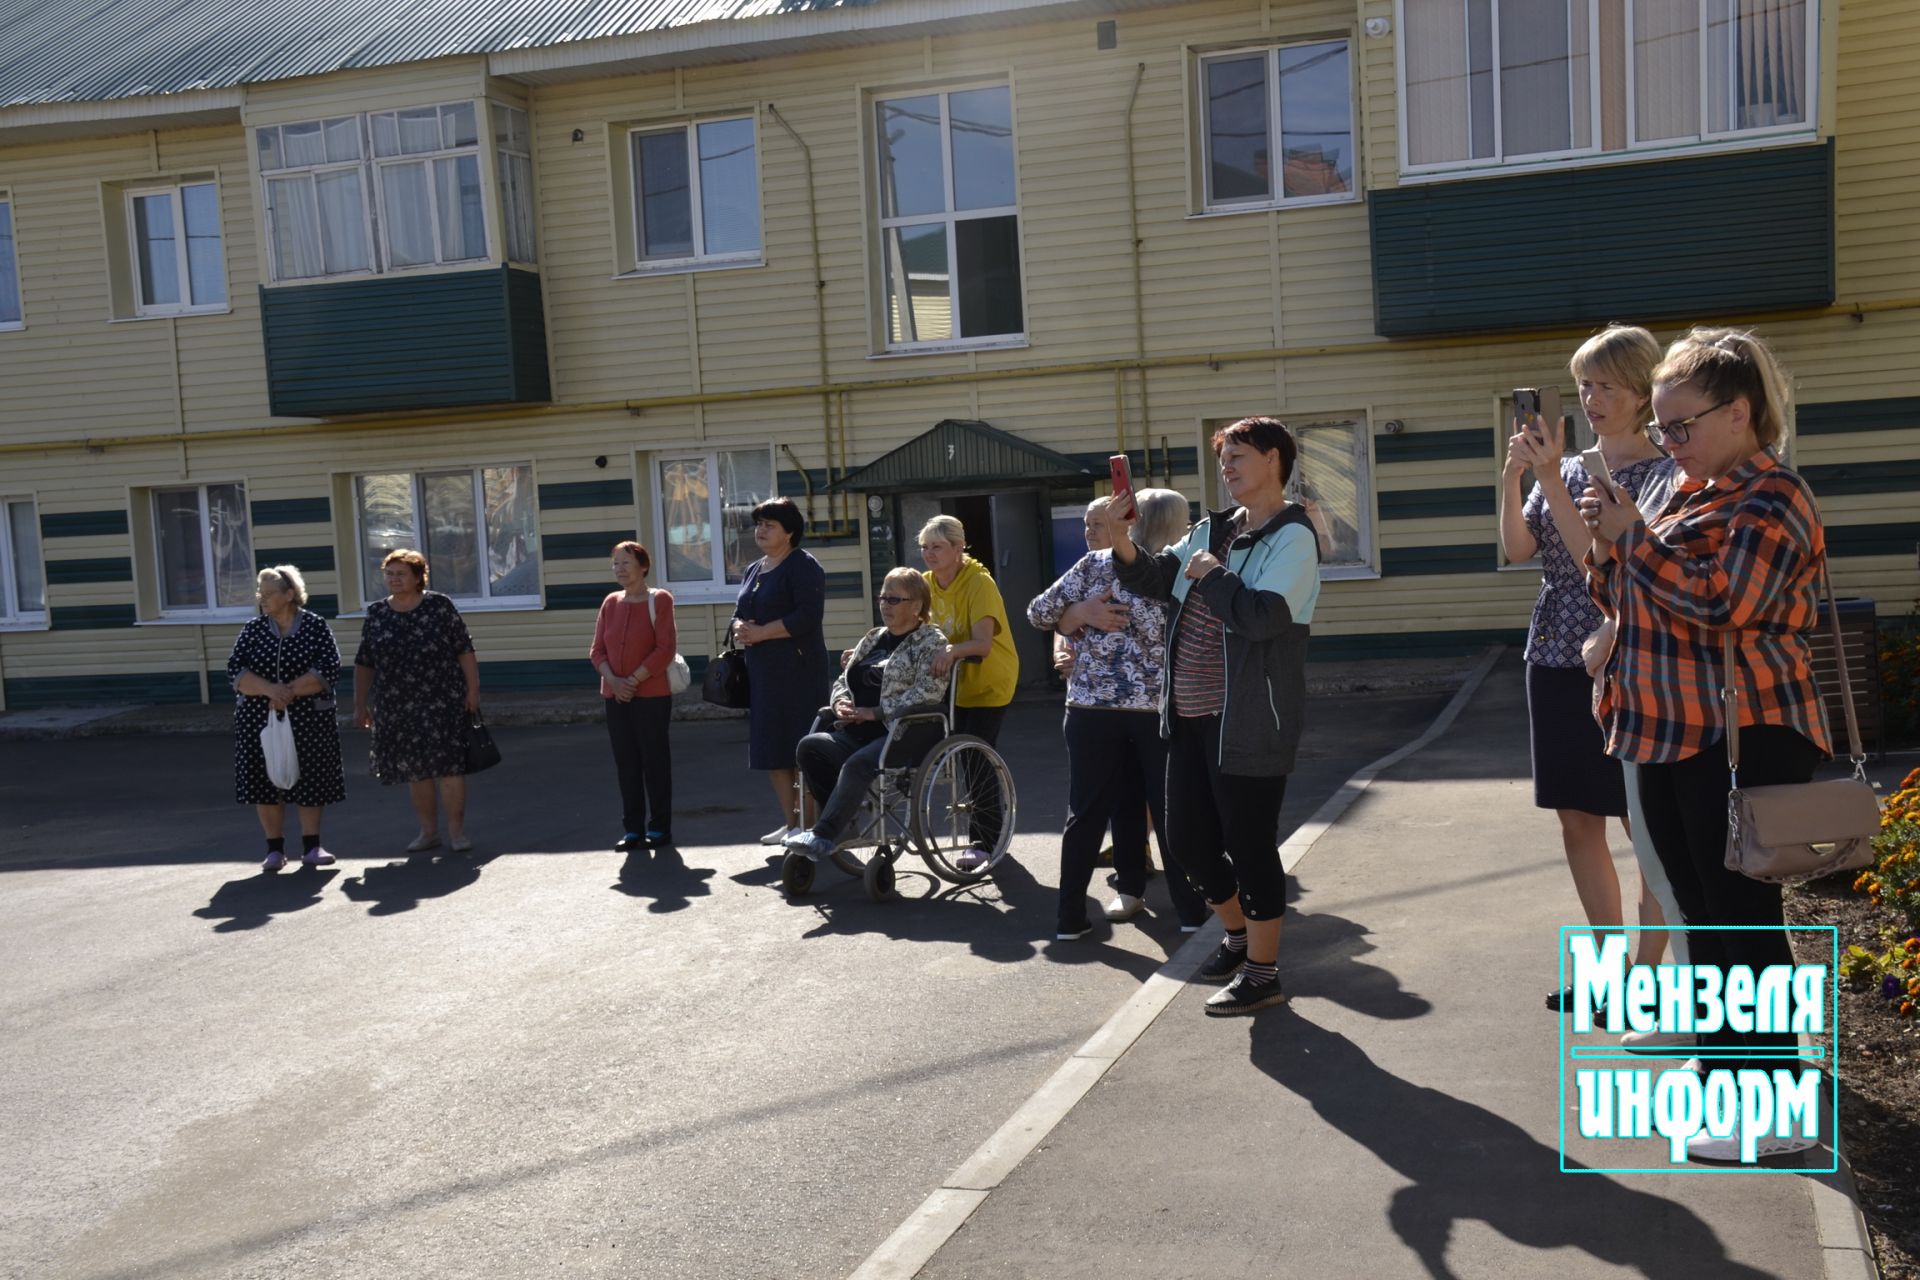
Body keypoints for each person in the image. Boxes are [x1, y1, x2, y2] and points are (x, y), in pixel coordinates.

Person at [1580, 327, 1829, 1162]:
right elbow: (1624, 594)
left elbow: (1726, 604)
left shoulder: (1774, 496)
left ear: (1741, 413)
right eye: (1662, 429)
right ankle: (1730, 1084)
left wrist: (1634, 537)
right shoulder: (1685, 490)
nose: (1669, 443)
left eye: (1681, 426)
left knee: (1744, 921)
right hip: (1662, 730)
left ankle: (1776, 1111)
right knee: (1700, 912)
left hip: (1743, 734)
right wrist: (1611, 536)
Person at [1112, 417, 1319, 1016]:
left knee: (1250, 845)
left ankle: (1262, 971)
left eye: (1240, 457)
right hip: (1190, 714)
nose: (1227, 468)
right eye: (1224, 458)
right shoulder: (1213, 527)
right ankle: (1235, 935)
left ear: (1275, 460)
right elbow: (1153, 579)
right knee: (1188, 844)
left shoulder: (1293, 535)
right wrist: (1125, 540)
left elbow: (1262, 619)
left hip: (1251, 718)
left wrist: (1212, 573)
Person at [1501, 324, 1677, 1014]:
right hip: (1553, 655)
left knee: (1644, 824)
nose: (1591, 396)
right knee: (1577, 819)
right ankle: (1606, 971)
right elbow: (1521, 550)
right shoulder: (1567, 468)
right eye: (1583, 384)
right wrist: (1515, 478)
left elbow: (1598, 565)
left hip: (1629, 661)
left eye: (1606, 384)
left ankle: (1647, 970)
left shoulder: (1666, 473)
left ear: (1642, 392)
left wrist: (1545, 474)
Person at [1031, 488, 1207, 938]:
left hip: (1090, 709)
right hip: (1156, 710)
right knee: (1169, 808)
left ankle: (1071, 918)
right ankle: (1189, 912)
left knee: (1087, 812)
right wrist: (1076, 614)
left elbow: (1038, 612)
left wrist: (1073, 613)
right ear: (1170, 526)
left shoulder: (1094, 565)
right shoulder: (1181, 571)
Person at [784, 568, 950, 862]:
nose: (885, 604)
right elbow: (843, 679)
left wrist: (876, 712)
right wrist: (841, 703)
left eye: (894, 599)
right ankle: (843, 826)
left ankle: (823, 834)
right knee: (810, 747)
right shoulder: (873, 638)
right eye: (882, 597)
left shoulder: (930, 642)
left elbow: (928, 692)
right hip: (858, 730)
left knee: (858, 764)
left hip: (903, 732)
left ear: (916, 606)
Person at [353, 549, 481, 854]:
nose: (394, 580)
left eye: (401, 574)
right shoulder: (377, 613)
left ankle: (457, 832)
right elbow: (364, 662)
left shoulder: (439, 606)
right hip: (396, 703)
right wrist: (360, 703)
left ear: (417, 576)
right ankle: (428, 833)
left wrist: (472, 689)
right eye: (389, 574)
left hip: (443, 698)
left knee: (449, 767)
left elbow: (464, 648)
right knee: (416, 770)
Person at [918, 515, 1020, 871]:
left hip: (990, 679)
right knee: (958, 756)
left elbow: (981, 644)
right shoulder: (926, 583)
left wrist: (951, 651)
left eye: (937, 547)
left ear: (959, 548)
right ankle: (992, 825)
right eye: (925, 547)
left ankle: (984, 840)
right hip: (953, 684)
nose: (929, 554)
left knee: (976, 755)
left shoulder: (979, 582)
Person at [228, 565, 345, 871]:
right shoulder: (253, 630)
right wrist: (270, 690)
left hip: (309, 717)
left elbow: (328, 667)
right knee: (263, 781)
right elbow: (236, 671)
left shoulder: (316, 627)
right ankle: (274, 850)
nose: (262, 598)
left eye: (268, 593)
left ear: (290, 594)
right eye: (260, 592)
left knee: (310, 778)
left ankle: (312, 846)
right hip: (258, 717)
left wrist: (289, 691)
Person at [732, 497, 829, 847]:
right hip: (763, 675)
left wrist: (762, 632)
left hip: (798, 674)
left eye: (769, 525)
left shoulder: (803, 566)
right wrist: (740, 627)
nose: (760, 530)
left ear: (789, 532)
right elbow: (740, 610)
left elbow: (807, 617)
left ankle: (810, 824)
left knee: (800, 750)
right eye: (759, 524)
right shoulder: (754, 569)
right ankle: (791, 824)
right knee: (772, 749)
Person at [591, 540, 677, 852]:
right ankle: (632, 829)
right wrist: (614, 681)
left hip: (652, 695)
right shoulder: (610, 602)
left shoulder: (660, 600)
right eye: (615, 564)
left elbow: (665, 648)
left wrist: (633, 680)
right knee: (626, 762)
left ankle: (659, 828)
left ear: (643, 566)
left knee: (654, 761)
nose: (620, 569)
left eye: (626, 563)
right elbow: (596, 650)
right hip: (615, 696)